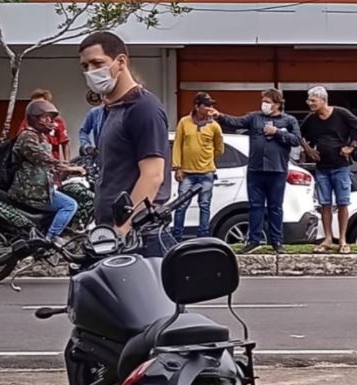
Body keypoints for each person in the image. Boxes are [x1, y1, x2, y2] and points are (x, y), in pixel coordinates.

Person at [78, 31, 170, 250]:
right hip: (111, 234)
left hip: (138, 237)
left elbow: (153, 175)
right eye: (85, 66)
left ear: (121, 62)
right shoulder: (111, 110)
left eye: (97, 63)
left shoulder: (143, 108)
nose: (91, 72)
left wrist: (123, 229)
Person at [213, 88, 301, 254]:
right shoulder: (255, 118)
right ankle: (254, 240)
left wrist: (276, 133)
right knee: (255, 206)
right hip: (255, 170)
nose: (264, 105)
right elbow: (236, 122)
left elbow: (296, 140)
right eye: (264, 101)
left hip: (277, 170)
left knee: (275, 207)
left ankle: (277, 241)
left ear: (277, 104)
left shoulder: (289, 120)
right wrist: (220, 116)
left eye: (268, 102)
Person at [300, 86, 357, 254]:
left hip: (341, 166)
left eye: (313, 101)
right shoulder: (311, 119)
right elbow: (298, 134)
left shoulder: (340, 113)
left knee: (343, 203)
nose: (310, 104)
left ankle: (343, 239)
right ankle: (328, 238)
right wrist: (308, 150)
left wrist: (351, 147)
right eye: (309, 101)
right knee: (325, 204)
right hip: (322, 167)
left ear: (323, 100)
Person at [9, 100, 84, 242]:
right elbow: (43, 159)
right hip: (29, 191)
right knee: (69, 205)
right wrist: (72, 168)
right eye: (45, 117)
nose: (50, 121)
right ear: (34, 118)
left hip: (41, 189)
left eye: (51, 117)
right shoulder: (27, 136)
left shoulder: (41, 136)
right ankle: (50, 239)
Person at [171, 92, 223, 240]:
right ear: (197, 106)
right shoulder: (184, 122)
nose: (209, 108)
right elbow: (177, 145)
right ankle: (177, 237)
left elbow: (219, 148)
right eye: (206, 105)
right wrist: (177, 167)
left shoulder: (214, 126)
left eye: (211, 105)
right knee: (181, 206)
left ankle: (203, 236)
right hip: (187, 172)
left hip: (206, 172)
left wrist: (208, 159)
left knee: (204, 205)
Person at [19, 89, 70, 160]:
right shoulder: (28, 122)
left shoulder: (57, 121)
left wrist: (67, 163)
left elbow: (65, 142)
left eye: (40, 103)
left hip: (52, 162)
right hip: (35, 162)